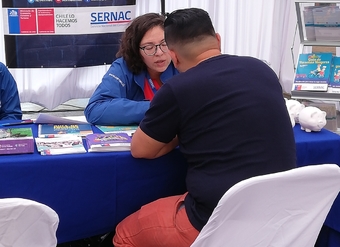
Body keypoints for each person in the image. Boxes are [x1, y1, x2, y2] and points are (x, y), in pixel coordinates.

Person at [113, 7, 297, 247]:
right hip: (279, 219)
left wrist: (182, 126)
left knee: (124, 234)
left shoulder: (178, 89)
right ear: (218, 39)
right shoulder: (262, 69)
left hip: (213, 221)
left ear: (174, 56)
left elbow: (141, 149)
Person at [84, 13, 178, 126]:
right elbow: (95, 110)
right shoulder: (123, 67)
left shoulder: (182, 62)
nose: (159, 53)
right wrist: (158, 107)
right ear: (135, 49)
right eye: (149, 47)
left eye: (164, 44)